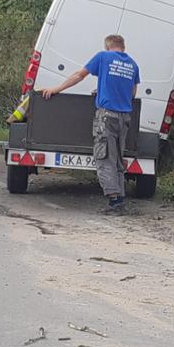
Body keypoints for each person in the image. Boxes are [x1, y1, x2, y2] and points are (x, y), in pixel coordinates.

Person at [41, 34, 140, 215]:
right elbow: (132, 92)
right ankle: (120, 198)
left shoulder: (103, 57)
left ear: (107, 46)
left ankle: (114, 201)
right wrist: (104, 91)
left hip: (107, 117)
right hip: (125, 117)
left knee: (104, 158)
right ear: (123, 47)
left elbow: (80, 75)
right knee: (117, 158)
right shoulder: (133, 64)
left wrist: (56, 89)